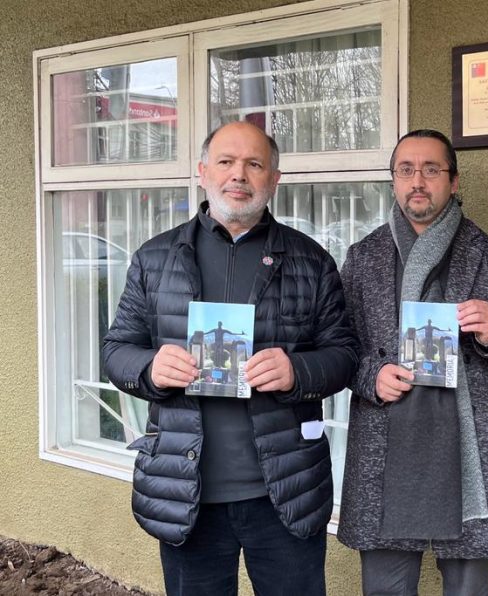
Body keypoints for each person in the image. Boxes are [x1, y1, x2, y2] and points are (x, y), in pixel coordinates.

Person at [102, 121, 358, 596]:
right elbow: (116, 350)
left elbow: (344, 355)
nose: (238, 175)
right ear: (203, 172)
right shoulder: (153, 259)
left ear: (274, 179)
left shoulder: (311, 261)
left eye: (254, 164)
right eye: (226, 161)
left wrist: (297, 371)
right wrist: (149, 369)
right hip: (186, 491)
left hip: (285, 492)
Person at [337, 129, 488, 595]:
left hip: (461, 441)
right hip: (387, 439)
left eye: (431, 169)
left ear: (453, 181)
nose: (418, 180)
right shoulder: (364, 256)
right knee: (386, 586)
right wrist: (370, 376)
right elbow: (337, 346)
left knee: (468, 587)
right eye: (406, 170)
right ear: (393, 181)